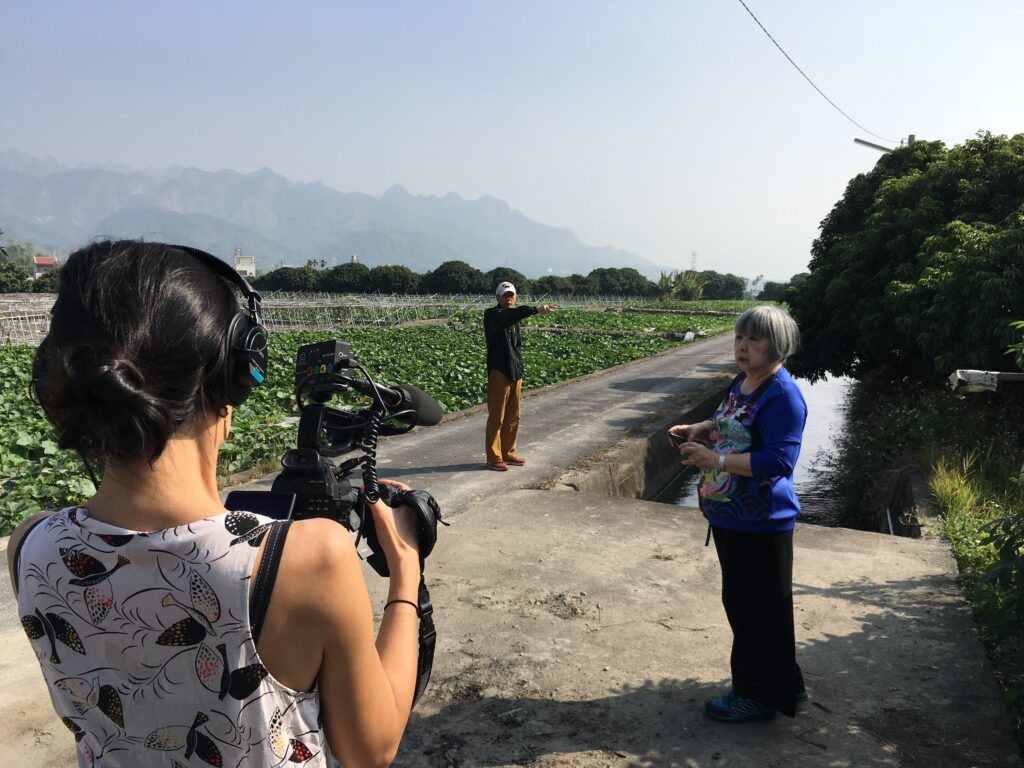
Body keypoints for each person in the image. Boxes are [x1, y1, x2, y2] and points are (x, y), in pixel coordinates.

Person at [8, 240, 422, 767]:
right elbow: (372, 749)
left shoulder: (30, 546)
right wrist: (406, 574)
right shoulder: (308, 558)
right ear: (230, 376)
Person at [667, 305, 808, 723]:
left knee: (754, 611)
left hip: (761, 521)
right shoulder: (745, 382)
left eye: (754, 340)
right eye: (739, 338)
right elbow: (729, 421)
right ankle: (787, 686)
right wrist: (699, 430)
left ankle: (756, 696)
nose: (743, 347)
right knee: (757, 607)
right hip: (733, 516)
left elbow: (779, 462)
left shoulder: (782, 395)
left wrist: (716, 460)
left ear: (776, 345)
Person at [483, 281, 556, 471]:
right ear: (498, 297)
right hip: (499, 370)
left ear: (515, 297)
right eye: (505, 295)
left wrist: (519, 367)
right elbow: (510, 315)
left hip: (515, 371)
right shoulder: (493, 315)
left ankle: (508, 452)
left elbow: (516, 345)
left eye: (511, 295)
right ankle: (493, 457)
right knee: (496, 417)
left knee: (513, 416)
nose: (508, 298)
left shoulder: (513, 320)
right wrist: (534, 310)